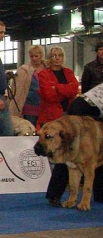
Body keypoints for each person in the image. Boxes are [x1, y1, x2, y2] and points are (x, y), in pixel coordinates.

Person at [38, 46, 80, 207]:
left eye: (60, 55)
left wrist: (58, 88)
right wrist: (65, 89)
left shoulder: (69, 72)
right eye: (54, 55)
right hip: (51, 122)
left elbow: (74, 89)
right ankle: (54, 195)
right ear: (50, 58)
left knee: (66, 159)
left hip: (69, 120)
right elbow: (48, 95)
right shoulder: (43, 74)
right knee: (59, 160)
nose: (57, 58)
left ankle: (58, 194)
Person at [13, 45, 46, 127]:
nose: (34, 58)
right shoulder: (24, 70)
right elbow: (17, 88)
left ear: (41, 56)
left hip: (46, 108)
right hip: (29, 107)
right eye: (32, 56)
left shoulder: (48, 69)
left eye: (36, 56)